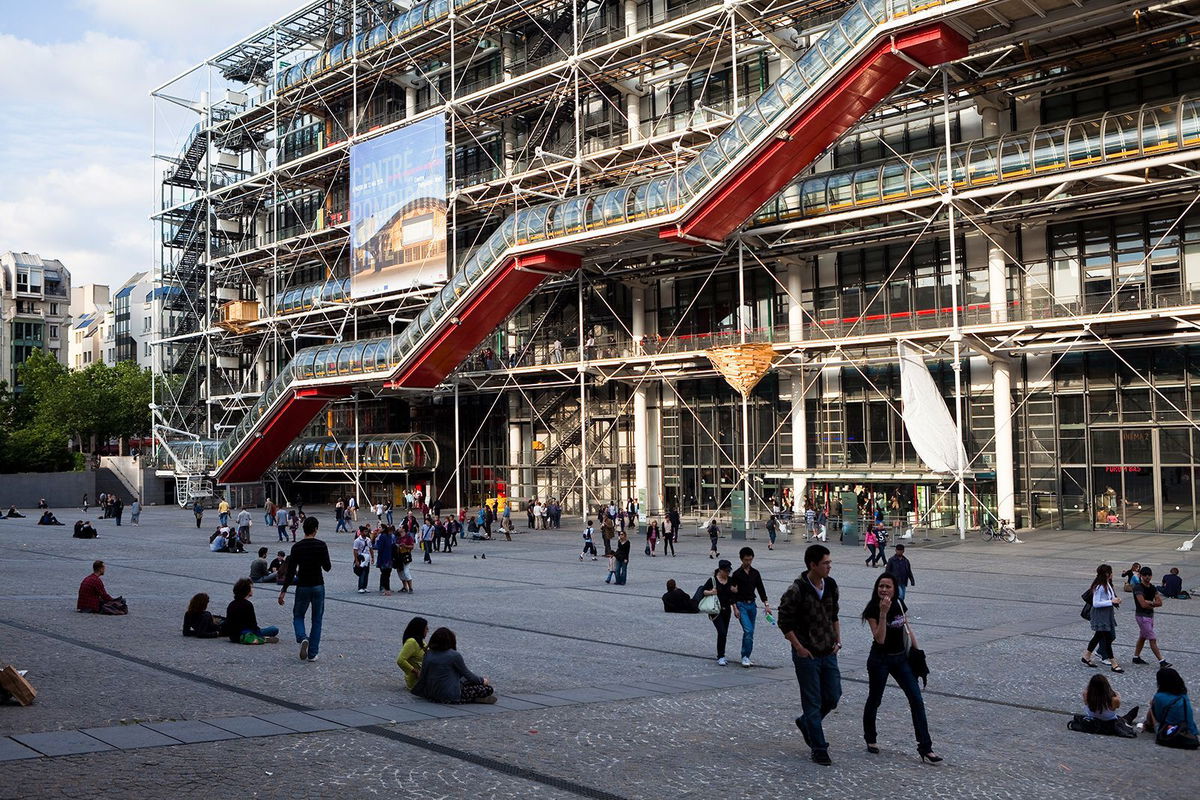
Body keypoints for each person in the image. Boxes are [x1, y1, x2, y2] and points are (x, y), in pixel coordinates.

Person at [860, 572, 941, 762]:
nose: (884, 590)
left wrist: (918, 651)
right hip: (879, 660)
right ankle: (870, 738)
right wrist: (882, 613)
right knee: (875, 699)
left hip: (900, 659)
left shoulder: (899, 604)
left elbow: (907, 627)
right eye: (881, 586)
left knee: (916, 700)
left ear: (895, 589)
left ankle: (925, 747)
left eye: (888, 586)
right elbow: (879, 639)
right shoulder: (872, 609)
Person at [778, 544, 842, 766]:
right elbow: (784, 621)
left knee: (833, 696)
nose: (829, 566)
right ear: (812, 565)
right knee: (812, 701)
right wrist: (799, 648)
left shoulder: (831, 585)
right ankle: (818, 747)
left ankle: (806, 723)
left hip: (828, 651)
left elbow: (834, 615)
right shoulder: (797, 590)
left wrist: (837, 640)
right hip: (807, 654)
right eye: (825, 563)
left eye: (829, 562)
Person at [278, 516, 331, 662]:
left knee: (298, 615)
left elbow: (290, 572)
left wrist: (283, 591)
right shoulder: (321, 545)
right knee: (317, 620)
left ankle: (302, 638)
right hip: (318, 585)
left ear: (304, 529)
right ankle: (313, 654)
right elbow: (327, 567)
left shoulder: (297, 547)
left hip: (303, 586)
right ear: (315, 529)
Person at [411, 627, 496, 704]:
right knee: (488, 689)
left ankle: (475, 698)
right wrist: (482, 680)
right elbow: (468, 675)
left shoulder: (428, 654)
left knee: (463, 680)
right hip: (449, 696)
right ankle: (474, 698)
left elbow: (423, 675)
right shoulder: (454, 655)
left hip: (431, 694)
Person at [730, 547, 771, 668]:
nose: (748, 562)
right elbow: (732, 592)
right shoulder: (737, 574)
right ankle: (745, 656)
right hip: (741, 604)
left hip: (752, 605)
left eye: (750, 560)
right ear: (741, 559)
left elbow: (761, 589)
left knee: (751, 632)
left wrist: (766, 604)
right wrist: (735, 608)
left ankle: (747, 655)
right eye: (746, 560)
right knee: (748, 630)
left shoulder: (755, 573)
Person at [1083, 563, 1123, 673]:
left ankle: (1086, 656)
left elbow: (1110, 596)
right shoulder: (1099, 586)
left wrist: (1115, 599)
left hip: (1107, 613)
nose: (1112, 574)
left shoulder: (1107, 584)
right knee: (1106, 637)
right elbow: (1096, 603)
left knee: (1098, 636)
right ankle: (1113, 663)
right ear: (1107, 574)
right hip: (1100, 615)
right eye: (1110, 572)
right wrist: (1111, 601)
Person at [1144, 667, 1198, 747]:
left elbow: (1159, 718)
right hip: (1190, 730)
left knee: (1152, 704)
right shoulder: (1183, 695)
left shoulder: (1159, 697)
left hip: (1171, 732)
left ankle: (1147, 725)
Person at [1131, 566, 1171, 668]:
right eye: (1145, 575)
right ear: (1141, 576)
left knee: (1143, 637)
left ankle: (1136, 657)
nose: (1147, 577)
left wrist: (1150, 602)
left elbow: (1160, 602)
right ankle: (1162, 661)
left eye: (1149, 575)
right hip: (1142, 616)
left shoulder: (1152, 587)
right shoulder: (1138, 588)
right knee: (1152, 639)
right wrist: (1152, 603)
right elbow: (1142, 604)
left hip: (1150, 616)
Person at [223, 578, 279, 644]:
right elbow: (253, 625)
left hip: (233, 636)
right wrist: (258, 633)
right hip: (245, 633)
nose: (252, 590)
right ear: (247, 591)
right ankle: (261, 638)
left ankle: (258, 637)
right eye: (251, 588)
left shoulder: (231, 604)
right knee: (274, 629)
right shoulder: (248, 605)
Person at [701, 560, 735, 664]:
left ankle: (722, 655)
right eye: (726, 571)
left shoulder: (730, 580)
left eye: (729, 571)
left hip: (727, 610)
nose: (727, 573)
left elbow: (732, 596)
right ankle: (720, 656)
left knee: (724, 633)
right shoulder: (713, 580)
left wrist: (735, 608)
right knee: (722, 631)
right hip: (715, 611)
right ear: (720, 570)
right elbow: (703, 591)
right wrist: (711, 592)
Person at [396, 616, 428, 691]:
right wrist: (415, 671)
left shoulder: (420, 641)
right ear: (420, 629)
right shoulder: (412, 642)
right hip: (417, 682)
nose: (427, 630)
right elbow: (400, 660)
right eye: (426, 628)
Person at [374, 525, 396, 595]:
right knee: (387, 574)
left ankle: (386, 590)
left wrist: (375, 542)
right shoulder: (389, 536)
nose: (378, 528)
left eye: (380, 527)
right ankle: (386, 588)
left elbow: (379, 547)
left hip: (383, 557)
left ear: (383, 529)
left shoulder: (382, 536)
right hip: (389, 557)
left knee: (384, 574)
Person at [353, 527, 373, 593]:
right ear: (361, 532)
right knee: (362, 572)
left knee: (367, 572)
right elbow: (355, 551)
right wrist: (356, 560)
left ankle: (365, 586)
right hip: (361, 557)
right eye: (364, 531)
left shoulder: (368, 540)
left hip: (367, 557)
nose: (366, 533)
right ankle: (360, 587)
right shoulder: (357, 540)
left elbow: (370, 548)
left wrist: (372, 557)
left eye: (366, 531)